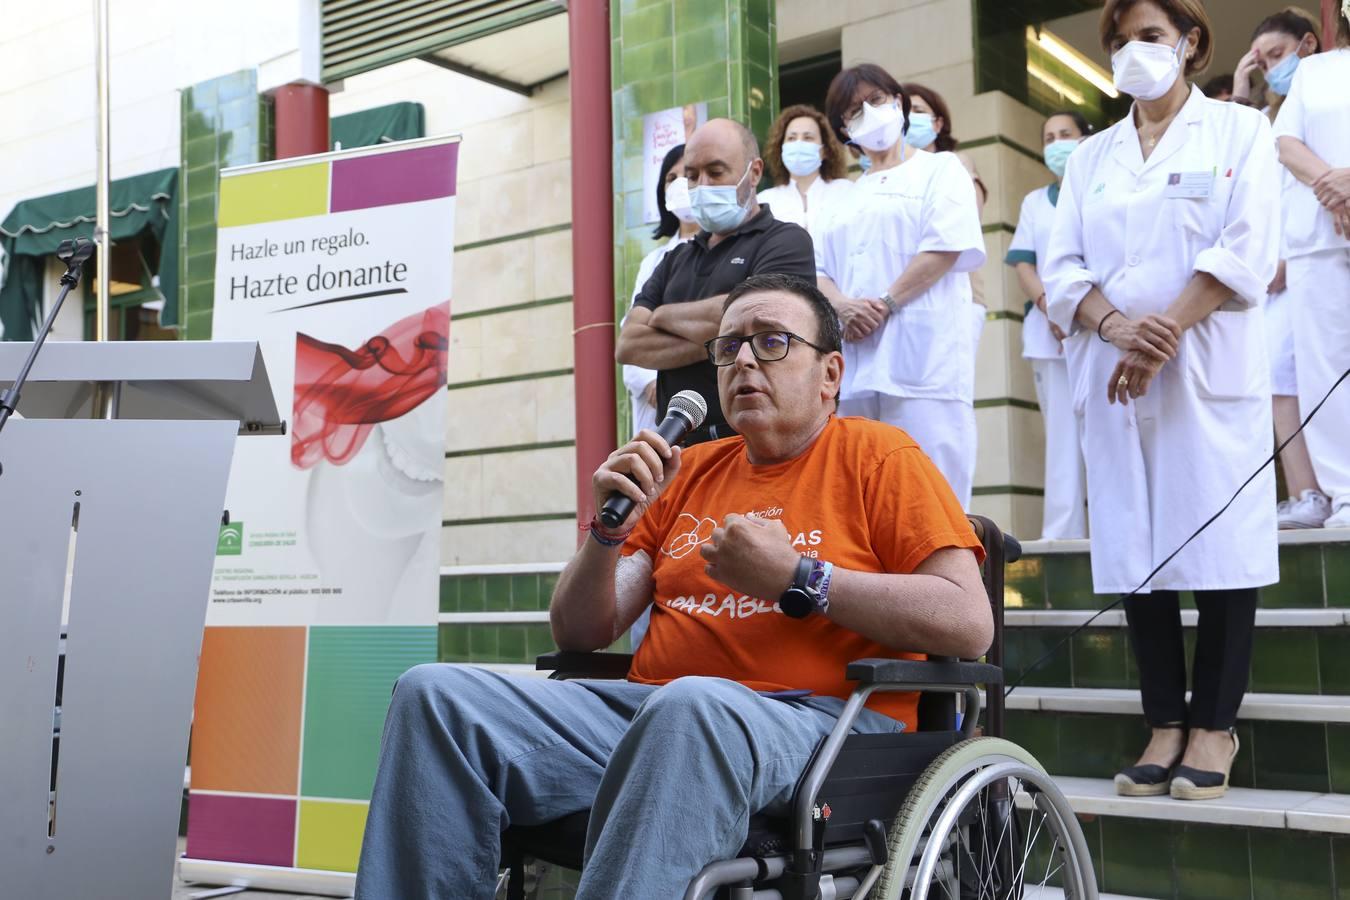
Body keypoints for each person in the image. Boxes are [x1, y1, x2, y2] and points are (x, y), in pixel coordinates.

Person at [354, 273, 993, 899]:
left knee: (691, 708)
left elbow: (968, 621)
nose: (743, 359)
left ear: (830, 375)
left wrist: (800, 578)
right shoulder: (686, 471)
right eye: (727, 346)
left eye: (771, 341)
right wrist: (607, 536)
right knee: (433, 695)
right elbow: (580, 632)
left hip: (821, 727)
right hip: (650, 714)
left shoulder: (879, 456)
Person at [1043, 0, 1280, 801]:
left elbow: (1246, 246)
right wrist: (1115, 328)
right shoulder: (1091, 158)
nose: (1133, 52)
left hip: (1203, 363)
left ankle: (1213, 727)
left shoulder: (1240, 133)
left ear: (1189, 43)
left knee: (1217, 541)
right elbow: (1063, 265)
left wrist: (1163, 335)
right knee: (1134, 548)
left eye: (1149, 37)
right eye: (1120, 41)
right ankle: (1163, 721)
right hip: (1111, 368)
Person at [815, 64, 986, 507]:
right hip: (857, 360)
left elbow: (946, 247)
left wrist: (886, 303)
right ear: (843, 129)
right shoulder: (842, 196)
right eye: (855, 110)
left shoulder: (941, 169)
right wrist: (843, 307)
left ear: (898, 102)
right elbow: (817, 268)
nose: (870, 113)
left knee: (931, 494)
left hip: (924, 360)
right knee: (864, 489)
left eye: (877, 100)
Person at [616, 119, 817, 443]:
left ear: (753, 173)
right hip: (680, 451)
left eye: (716, 172)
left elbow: (757, 322)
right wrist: (726, 335)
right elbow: (629, 345)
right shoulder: (674, 259)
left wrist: (662, 315)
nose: (701, 185)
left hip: (754, 445)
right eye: (693, 176)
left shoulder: (786, 242)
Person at [1233, 9, 1329, 527]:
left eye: (1277, 55)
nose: (1271, 68)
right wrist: (1243, 87)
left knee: (1323, 373)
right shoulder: (1268, 122)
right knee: (1280, 377)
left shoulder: (1329, 101)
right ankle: (1308, 491)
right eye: (1262, 60)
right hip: (1278, 277)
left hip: (1320, 258)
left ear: (1308, 45)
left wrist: (1292, 258)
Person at [1273, 4, 1350, 528]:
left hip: (1329, 211)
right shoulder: (1316, 70)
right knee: (1325, 371)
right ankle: (1346, 495)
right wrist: (1335, 185)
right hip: (1319, 239)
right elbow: (1285, 142)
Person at [1005, 110, 1092, 541]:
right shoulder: (1035, 202)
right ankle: (1063, 533)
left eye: (1066, 134)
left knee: (1107, 433)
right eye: (1050, 137)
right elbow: (1023, 263)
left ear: (1085, 138)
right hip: (1048, 333)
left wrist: (1080, 310)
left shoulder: (1100, 189)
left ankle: (1114, 528)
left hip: (1099, 328)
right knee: (1061, 436)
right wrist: (1050, 307)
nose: (1057, 143)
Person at [901, 82, 991, 357]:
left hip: (955, 296)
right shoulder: (893, 173)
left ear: (938, 123)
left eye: (917, 110)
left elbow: (966, 219)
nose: (909, 117)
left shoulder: (955, 163)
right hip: (905, 296)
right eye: (905, 111)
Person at [623, 144, 701, 439]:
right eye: (672, 177)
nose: (680, 183)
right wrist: (653, 385)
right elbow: (632, 338)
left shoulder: (728, 252)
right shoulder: (653, 262)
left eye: (689, 175)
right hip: (659, 402)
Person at [757, 104, 855, 240]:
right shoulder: (764, 201)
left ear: (824, 150)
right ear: (781, 148)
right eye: (791, 138)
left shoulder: (846, 192)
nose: (798, 144)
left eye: (808, 138)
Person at [1231, 6, 1321, 112]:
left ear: (1309, 43)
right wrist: (1239, 98)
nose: (1271, 69)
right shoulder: (1268, 117)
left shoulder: (1341, 90)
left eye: (1276, 54)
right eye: (1263, 65)